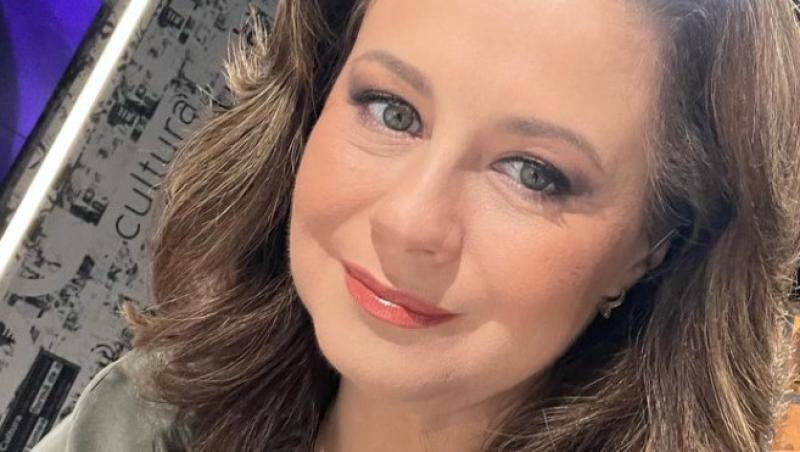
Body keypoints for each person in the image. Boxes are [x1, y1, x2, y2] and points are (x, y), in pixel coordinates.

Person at [33, 0, 800, 451]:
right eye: (392, 111)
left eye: (533, 173)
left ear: (653, 249)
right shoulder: (155, 417)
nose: (410, 222)